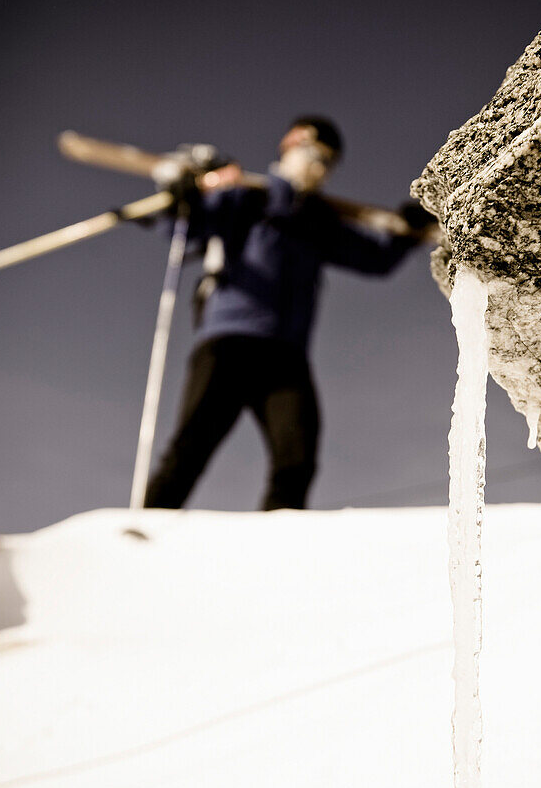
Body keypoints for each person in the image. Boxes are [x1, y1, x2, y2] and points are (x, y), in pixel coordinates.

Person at [144, 116, 429, 512]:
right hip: (230, 343)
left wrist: (405, 233)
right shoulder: (248, 197)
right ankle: (145, 528)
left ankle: (278, 545)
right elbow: (188, 228)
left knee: (296, 460)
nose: (320, 168)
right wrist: (184, 194)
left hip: (285, 356)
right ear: (291, 147)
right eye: (315, 155)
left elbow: (375, 260)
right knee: (191, 446)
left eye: (329, 163)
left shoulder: (318, 220)